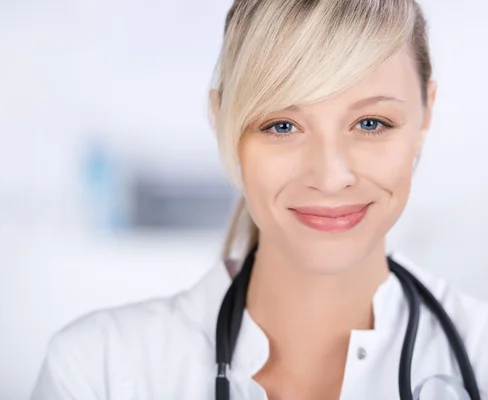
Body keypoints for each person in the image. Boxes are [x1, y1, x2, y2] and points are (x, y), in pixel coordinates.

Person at [31, 0, 488, 399]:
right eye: (282, 126)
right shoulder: (98, 373)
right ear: (222, 123)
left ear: (425, 115)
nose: (330, 177)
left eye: (371, 123)